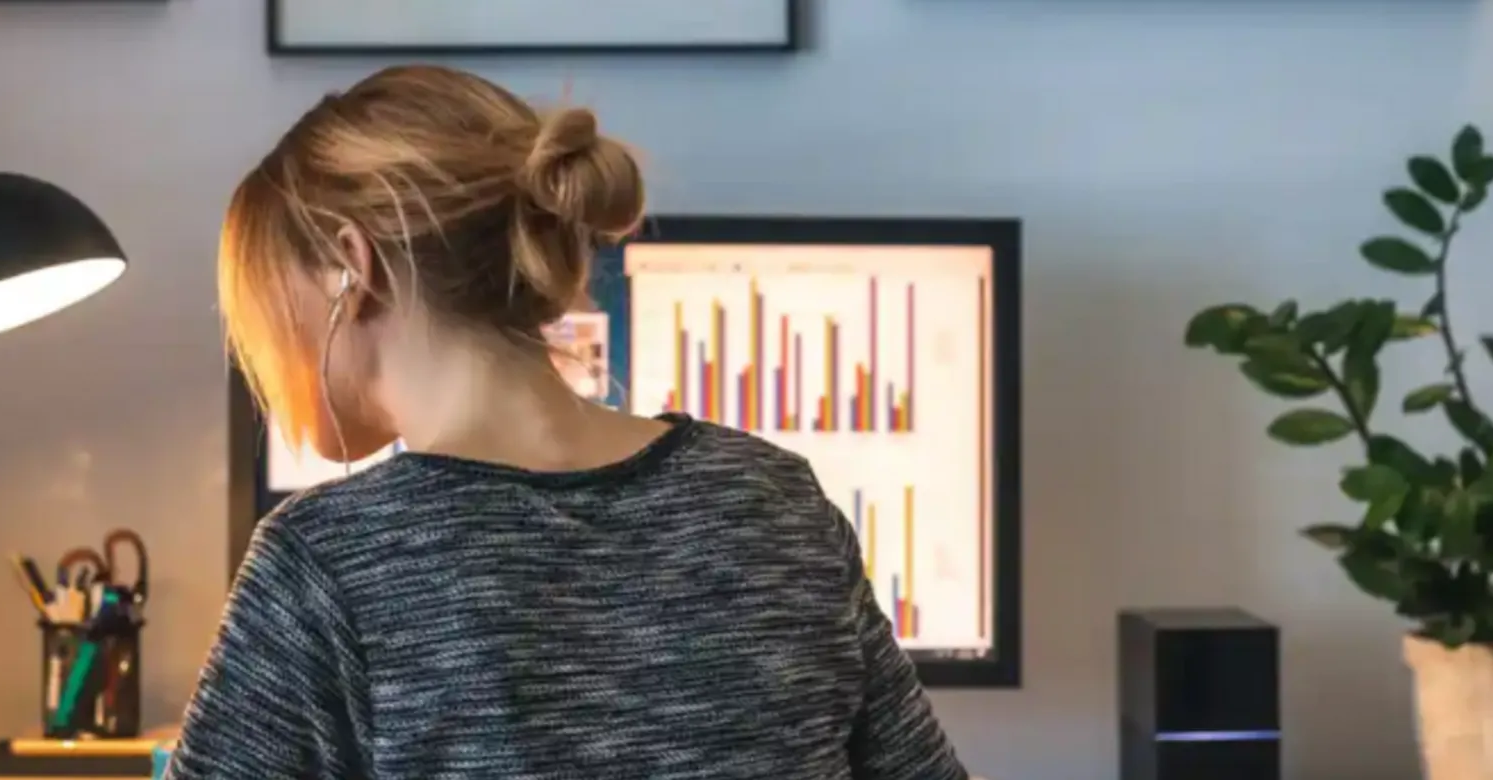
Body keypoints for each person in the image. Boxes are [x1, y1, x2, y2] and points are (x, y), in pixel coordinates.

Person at [166, 64, 971, 780]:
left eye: (260, 299)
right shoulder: (776, 497)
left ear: (353, 263)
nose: (261, 348)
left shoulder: (322, 562)